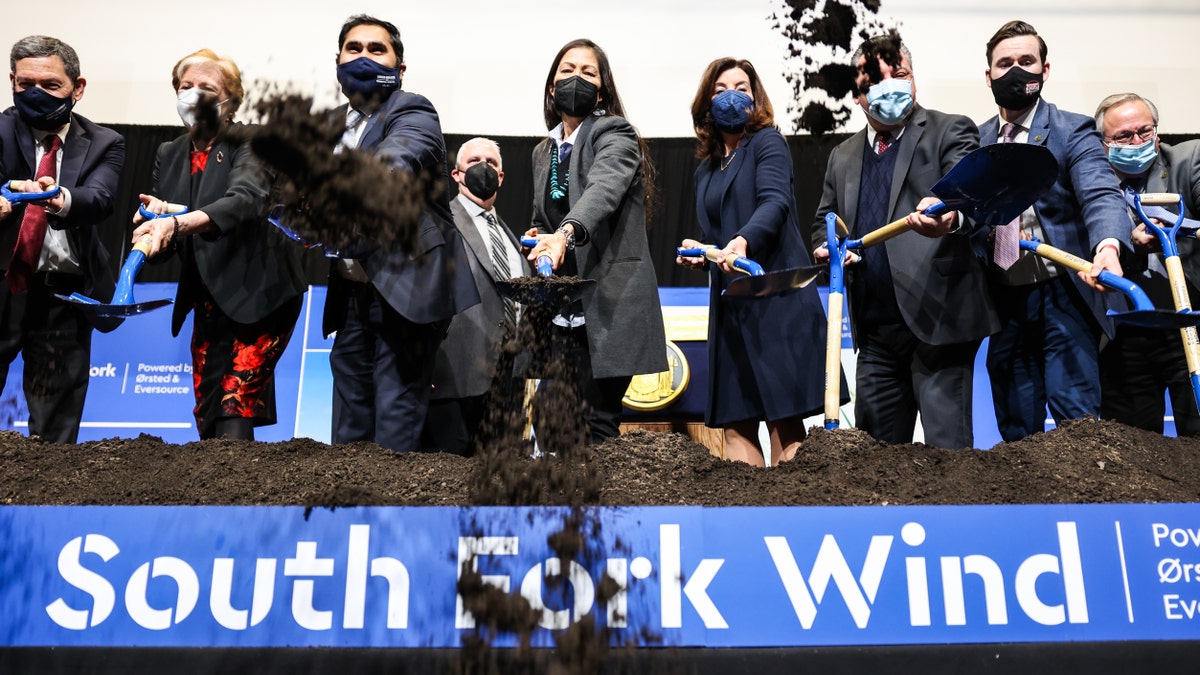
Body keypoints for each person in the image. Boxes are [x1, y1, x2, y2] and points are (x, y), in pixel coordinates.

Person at [811, 34, 996, 450]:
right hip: (874, 335)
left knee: (950, 461)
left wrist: (950, 216)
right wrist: (831, 248)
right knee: (876, 465)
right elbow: (825, 221)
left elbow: (972, 201)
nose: (893, 84)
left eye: (901, 74)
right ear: (858, 94)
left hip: (938, 324)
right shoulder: (842, 155)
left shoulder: (950, 129)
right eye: (878, 78)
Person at [322, 15, 479, 452]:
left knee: (394, 437)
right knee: (348, 436)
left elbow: (398, 156)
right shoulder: (326, 127)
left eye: (377, 49)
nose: (364, 56)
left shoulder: (412, 110)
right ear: (337, 60)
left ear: (400, 68)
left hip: (406, 295)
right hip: (351, 296)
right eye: (354, 49)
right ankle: (348, 519)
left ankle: (390, 519)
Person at [132, 49, 306, 441]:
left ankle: (241, 501)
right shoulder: (169, 152)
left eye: (207, 88)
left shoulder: (255, 140)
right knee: (209, 410)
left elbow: (244, 199)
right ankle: (216, 498)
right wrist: (153, 228)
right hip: (208, 300)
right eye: (185, 86)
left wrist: (175, 223)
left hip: (261, 293)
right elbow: (172, 237)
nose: (193, 95)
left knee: (234, 404)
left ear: (230, 102)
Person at [978, 20, 1132, 442]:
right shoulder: (975, 140)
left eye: (1026, 61)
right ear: (988, 74)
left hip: (1063, 294)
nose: (1016, 71)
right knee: (1015, 432)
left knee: (1079, 429)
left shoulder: (1073, 129)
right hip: (1004, 300)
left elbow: (1101, 193)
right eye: (1004, 63)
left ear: (1045, 71)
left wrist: (1108, 247)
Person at [675, 57, 834, 466]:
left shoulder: (768, 143)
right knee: (735, 422)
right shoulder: (705, 169)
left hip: (774, 298)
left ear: (755, 96)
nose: (732, 94)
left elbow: (775, 202)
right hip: (731, 306)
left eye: (742, 87)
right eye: (721, 87)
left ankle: (786, 516)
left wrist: (742, 241)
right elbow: (717, 237)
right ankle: (746, 517)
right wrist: (705, 252)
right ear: (707, 103)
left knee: (785, 421)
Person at [525, 39, 666, 444]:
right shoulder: (543, 151)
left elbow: (603, 190)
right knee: (548, 421)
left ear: (602, 90)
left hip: (609, 308)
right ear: (552, 87)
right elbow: (543, 217)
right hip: (561, 311)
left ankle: (596, 506)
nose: (576, 79)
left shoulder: (615, 133)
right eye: (567, 71)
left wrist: (565, 234)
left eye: (588, 73)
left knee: (595, 425)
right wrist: (539, 237)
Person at [0, 35, 124, 443]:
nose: (36, 94)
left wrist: (57, 196)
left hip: (62, 300)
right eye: (25, 84)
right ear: (13, 81)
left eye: (50, 86)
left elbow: (100, 199)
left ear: (78, 87)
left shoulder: (106, 142)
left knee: (54, 439)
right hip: (3, 288)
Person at [1093, 93, 1200, 435]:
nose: (1137, 142)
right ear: (1103, 142)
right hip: (1125, 333)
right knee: (1134, 448)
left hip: (1190, 324)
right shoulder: (1091, 183)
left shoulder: (1188, 159)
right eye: (1123, 137)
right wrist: (1132, 247)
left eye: (1144, 131)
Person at [422, 137, 529, 455]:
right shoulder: (440, 222)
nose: (484, 167)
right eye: (474, 162)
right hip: (455, 378)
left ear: (501, 176)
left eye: (492, 163)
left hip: (507, 380)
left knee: (499, 486)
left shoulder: (509, 234)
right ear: (456, 175)